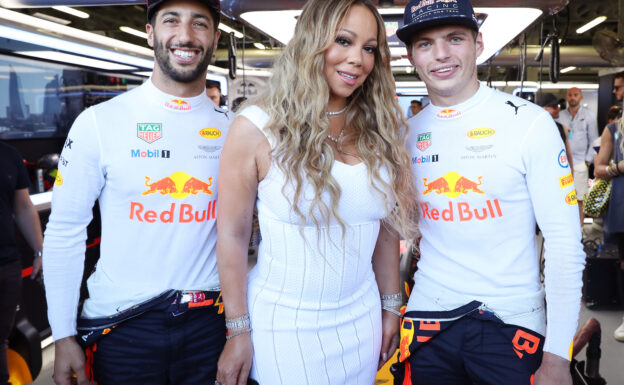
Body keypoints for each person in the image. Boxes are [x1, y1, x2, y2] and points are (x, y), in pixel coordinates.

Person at [215, 1, 418, 384]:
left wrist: (392, 305)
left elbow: (386, 229)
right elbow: (233, 236)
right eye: (344, 41)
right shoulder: (256, 127)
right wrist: (237, 330)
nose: (358, 59)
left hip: (362, 321)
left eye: (370, 48)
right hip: (282, 327)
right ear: (311, 41)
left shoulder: (381, 128)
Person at [393, 0, 586, 384]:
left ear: (478, 44)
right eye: (426, 44)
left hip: (510, 321)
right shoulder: (404, 135)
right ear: (411, 55)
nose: (442, 54)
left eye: (454, 38)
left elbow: (565, 244)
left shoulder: (530, 124)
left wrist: (558, 356)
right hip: (428, 319)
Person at [42, 0, 231, 384]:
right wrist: (62, 334)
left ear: (214, 39)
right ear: (150, 33)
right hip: (122, 330)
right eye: (171, 20)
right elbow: (64, 231)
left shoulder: (237, 129)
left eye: (200, 23)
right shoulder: (98, 123)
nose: (185, 35)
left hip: (210, 327)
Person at [0, 142, 42, 385]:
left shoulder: (8, 154)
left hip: (6, 266)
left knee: (1, 338)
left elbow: (24, 206)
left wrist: (39, 252)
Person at [594, 79, 624, 343]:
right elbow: (599, 168)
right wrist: (619, 168)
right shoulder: (613, 130)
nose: (614, 92)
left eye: (618, 86)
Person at [537, 92, 580, 225]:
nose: (557, 108)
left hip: (559, 178)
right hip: (540, 178)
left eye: (557, 105)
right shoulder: (533, 128)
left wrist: (571, 177)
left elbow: (568, 155)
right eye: (553, 106)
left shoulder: (562, 128)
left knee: (559, 216)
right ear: (543, 108)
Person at [557, 87, 599, 223]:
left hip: (581, 162)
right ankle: (565, 226)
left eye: (575, 95)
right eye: (569, 95)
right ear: (566, 97)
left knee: (580, 198)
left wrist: (587, 161)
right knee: (563, 197)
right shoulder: (560, 115)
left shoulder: (589, 115)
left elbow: (594, 139)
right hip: (562, 164)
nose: (572, 98)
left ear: (581, 97)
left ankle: (579, 229)